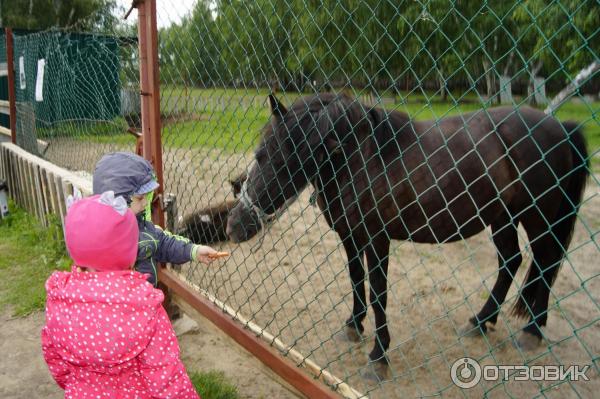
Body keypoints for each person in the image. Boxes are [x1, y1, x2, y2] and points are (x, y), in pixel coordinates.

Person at [42, 192, 201, 399]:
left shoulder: (59, 297)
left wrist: (76, 386)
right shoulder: (142, 306)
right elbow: (165, 375)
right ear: (128, 250)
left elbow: (54, 356)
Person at [92, 151, 218, 287]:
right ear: (117, 200)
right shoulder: (98, 239)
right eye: (140, 198)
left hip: (147, 299)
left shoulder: (144, 228)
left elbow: (164, 243)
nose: (146, 203)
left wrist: (194, 251)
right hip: (119, 304)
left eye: (147, 196)